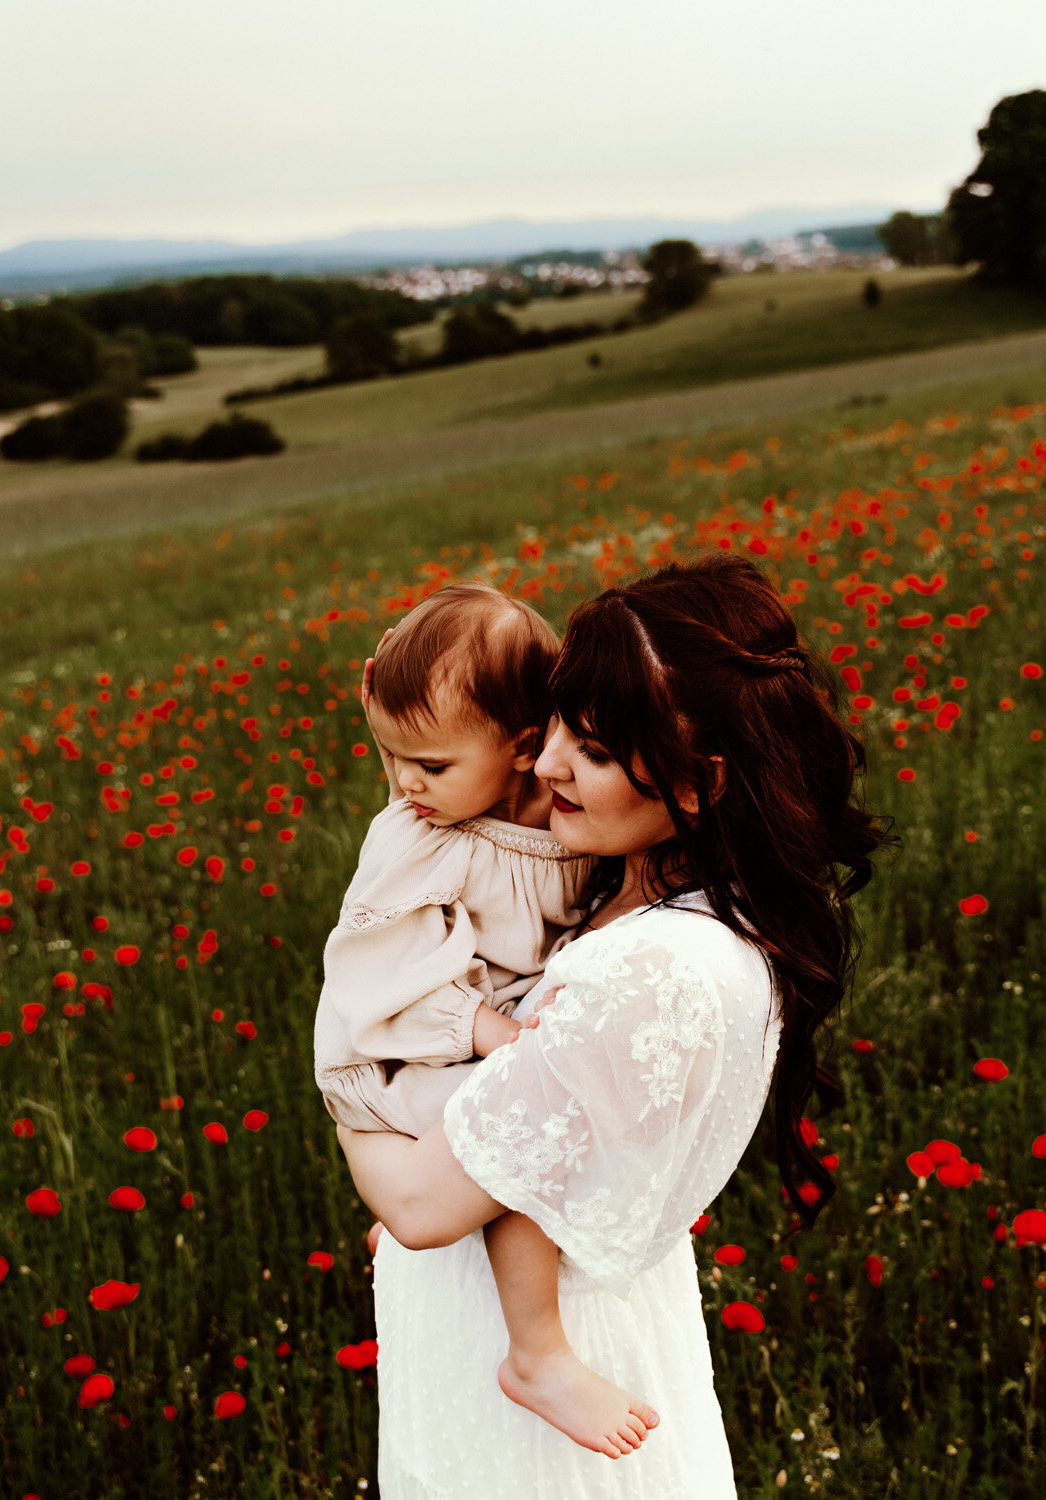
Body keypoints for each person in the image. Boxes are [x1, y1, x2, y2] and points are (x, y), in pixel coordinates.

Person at [338, 552, 892, 1498]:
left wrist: (353, 1087)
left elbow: (425, 1206)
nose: (545, 761)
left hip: (556, 1394)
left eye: (592, 752)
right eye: (556, 725)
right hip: (490, 1345)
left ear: (697, 782)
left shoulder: (657, 968)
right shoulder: (628, 898)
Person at [315, 582, 657, 1456]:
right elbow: (377, 973)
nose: (403, 784)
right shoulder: (419, 835)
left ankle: (433, 1194)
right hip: (411, 1043)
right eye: (391, 755)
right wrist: (483, 1031)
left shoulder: (554, 807)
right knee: (516, 1128)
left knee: (530, 1106)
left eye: (428, 765)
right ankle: (538, 1352)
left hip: (490, 1031)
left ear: (521, 748)